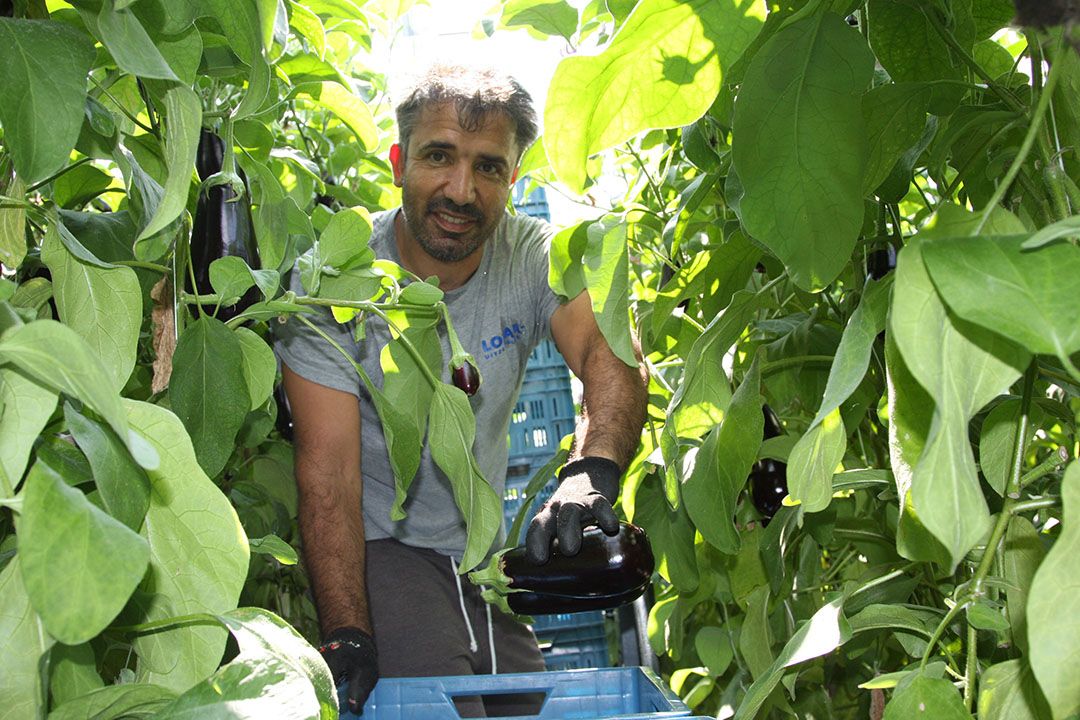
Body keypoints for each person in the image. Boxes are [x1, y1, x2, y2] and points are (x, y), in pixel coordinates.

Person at [274, 63, 649, 715]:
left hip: (480, 554)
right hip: (383, 546)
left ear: (512, 178)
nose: (461, 190)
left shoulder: (531, 255)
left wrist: (591, 472)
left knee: (521, 703)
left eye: (488, 167)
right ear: (399, 163)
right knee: (439, 705)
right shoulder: (335, 284)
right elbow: (329, 474)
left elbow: (607, 350)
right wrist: (347, 636)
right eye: (438, 157)